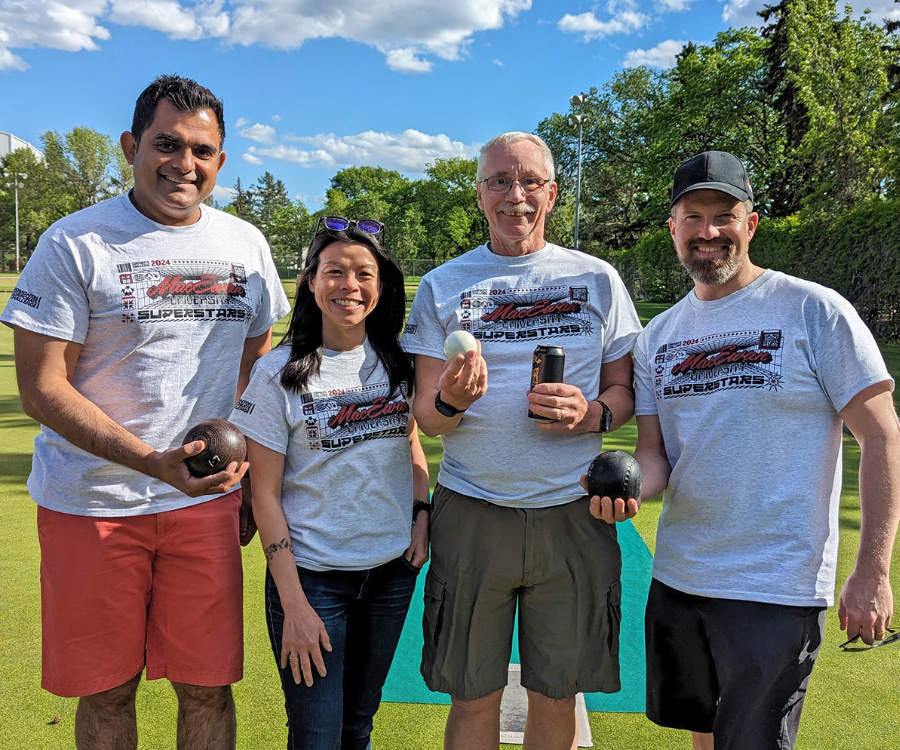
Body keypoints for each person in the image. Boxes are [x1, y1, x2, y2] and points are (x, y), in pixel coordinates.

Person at [1, 75, 290, 749]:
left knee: (206, 686)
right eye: (166, 143)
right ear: (132, 145)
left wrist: (251, 472)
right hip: (91, 505)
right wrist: (150, 463)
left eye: (203, 150)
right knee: (107, 691)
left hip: (204, 505)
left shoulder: (246, 244)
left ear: (220, 160)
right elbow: (42, 388)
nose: (183, 164)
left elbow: (257, 357)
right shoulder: (75, 242)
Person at [624, 151, 900, 750]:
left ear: (750, 224)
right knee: (704, 736)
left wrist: (873, 572)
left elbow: (880, 435)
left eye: (724, 215)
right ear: (673, 229)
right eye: (692, 216)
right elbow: (655, 460)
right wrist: (623, 492)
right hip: (680, 576)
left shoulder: (815, 310)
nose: (708, 231)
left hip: (776, 585)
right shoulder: (658, 337)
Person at [402, 132, 643, 750]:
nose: (516, 196)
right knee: (473, 694)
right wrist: (455, 399)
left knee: (558, 693)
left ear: (552, 193)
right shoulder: (444, 285)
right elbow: (430, 419)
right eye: (500, 182)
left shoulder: (597, 279)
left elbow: (627, 392)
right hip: (474, 508)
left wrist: (591, 413)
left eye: (530, 181)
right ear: (480, 194)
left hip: (573, 511)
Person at [228, 217, 430, 750]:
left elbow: (409, 442)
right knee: (316, 737)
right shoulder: (277, 373)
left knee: (357, 728)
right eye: (334, 271)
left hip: (390, 575)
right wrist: (293, 603)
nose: (350, 285)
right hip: (314, 582)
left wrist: (422, 514)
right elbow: (264, 495)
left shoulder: (401, 364)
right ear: (310, 282)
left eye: (364, 273)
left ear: (381, 285)